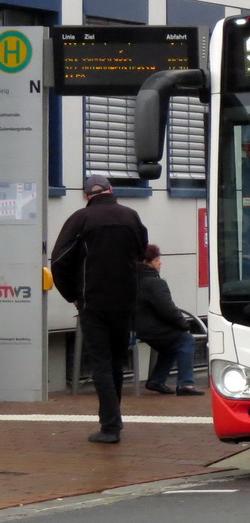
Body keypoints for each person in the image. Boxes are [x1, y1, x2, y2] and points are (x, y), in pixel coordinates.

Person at [50, 175, 147, 445]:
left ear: (86, 196)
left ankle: (110, 426)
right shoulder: (131, 216)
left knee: (101, 363)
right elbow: (141, 252)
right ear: (110, 190)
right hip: (125, 300)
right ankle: (113, 420)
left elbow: (59, 261)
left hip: (92, 302)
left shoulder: (80, 219)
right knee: (116, 360)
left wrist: (73, 295)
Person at [134, 244, 204, 397]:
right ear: (147, 261)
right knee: (185, 340)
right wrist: (184, 325)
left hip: (133, 328)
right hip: (149, 328)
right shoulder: (155, 283)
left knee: (170, 346)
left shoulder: (129, 280)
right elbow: (168, 310)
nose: (160, 263)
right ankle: (186, 384)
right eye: (157, 260)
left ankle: (157, 380)